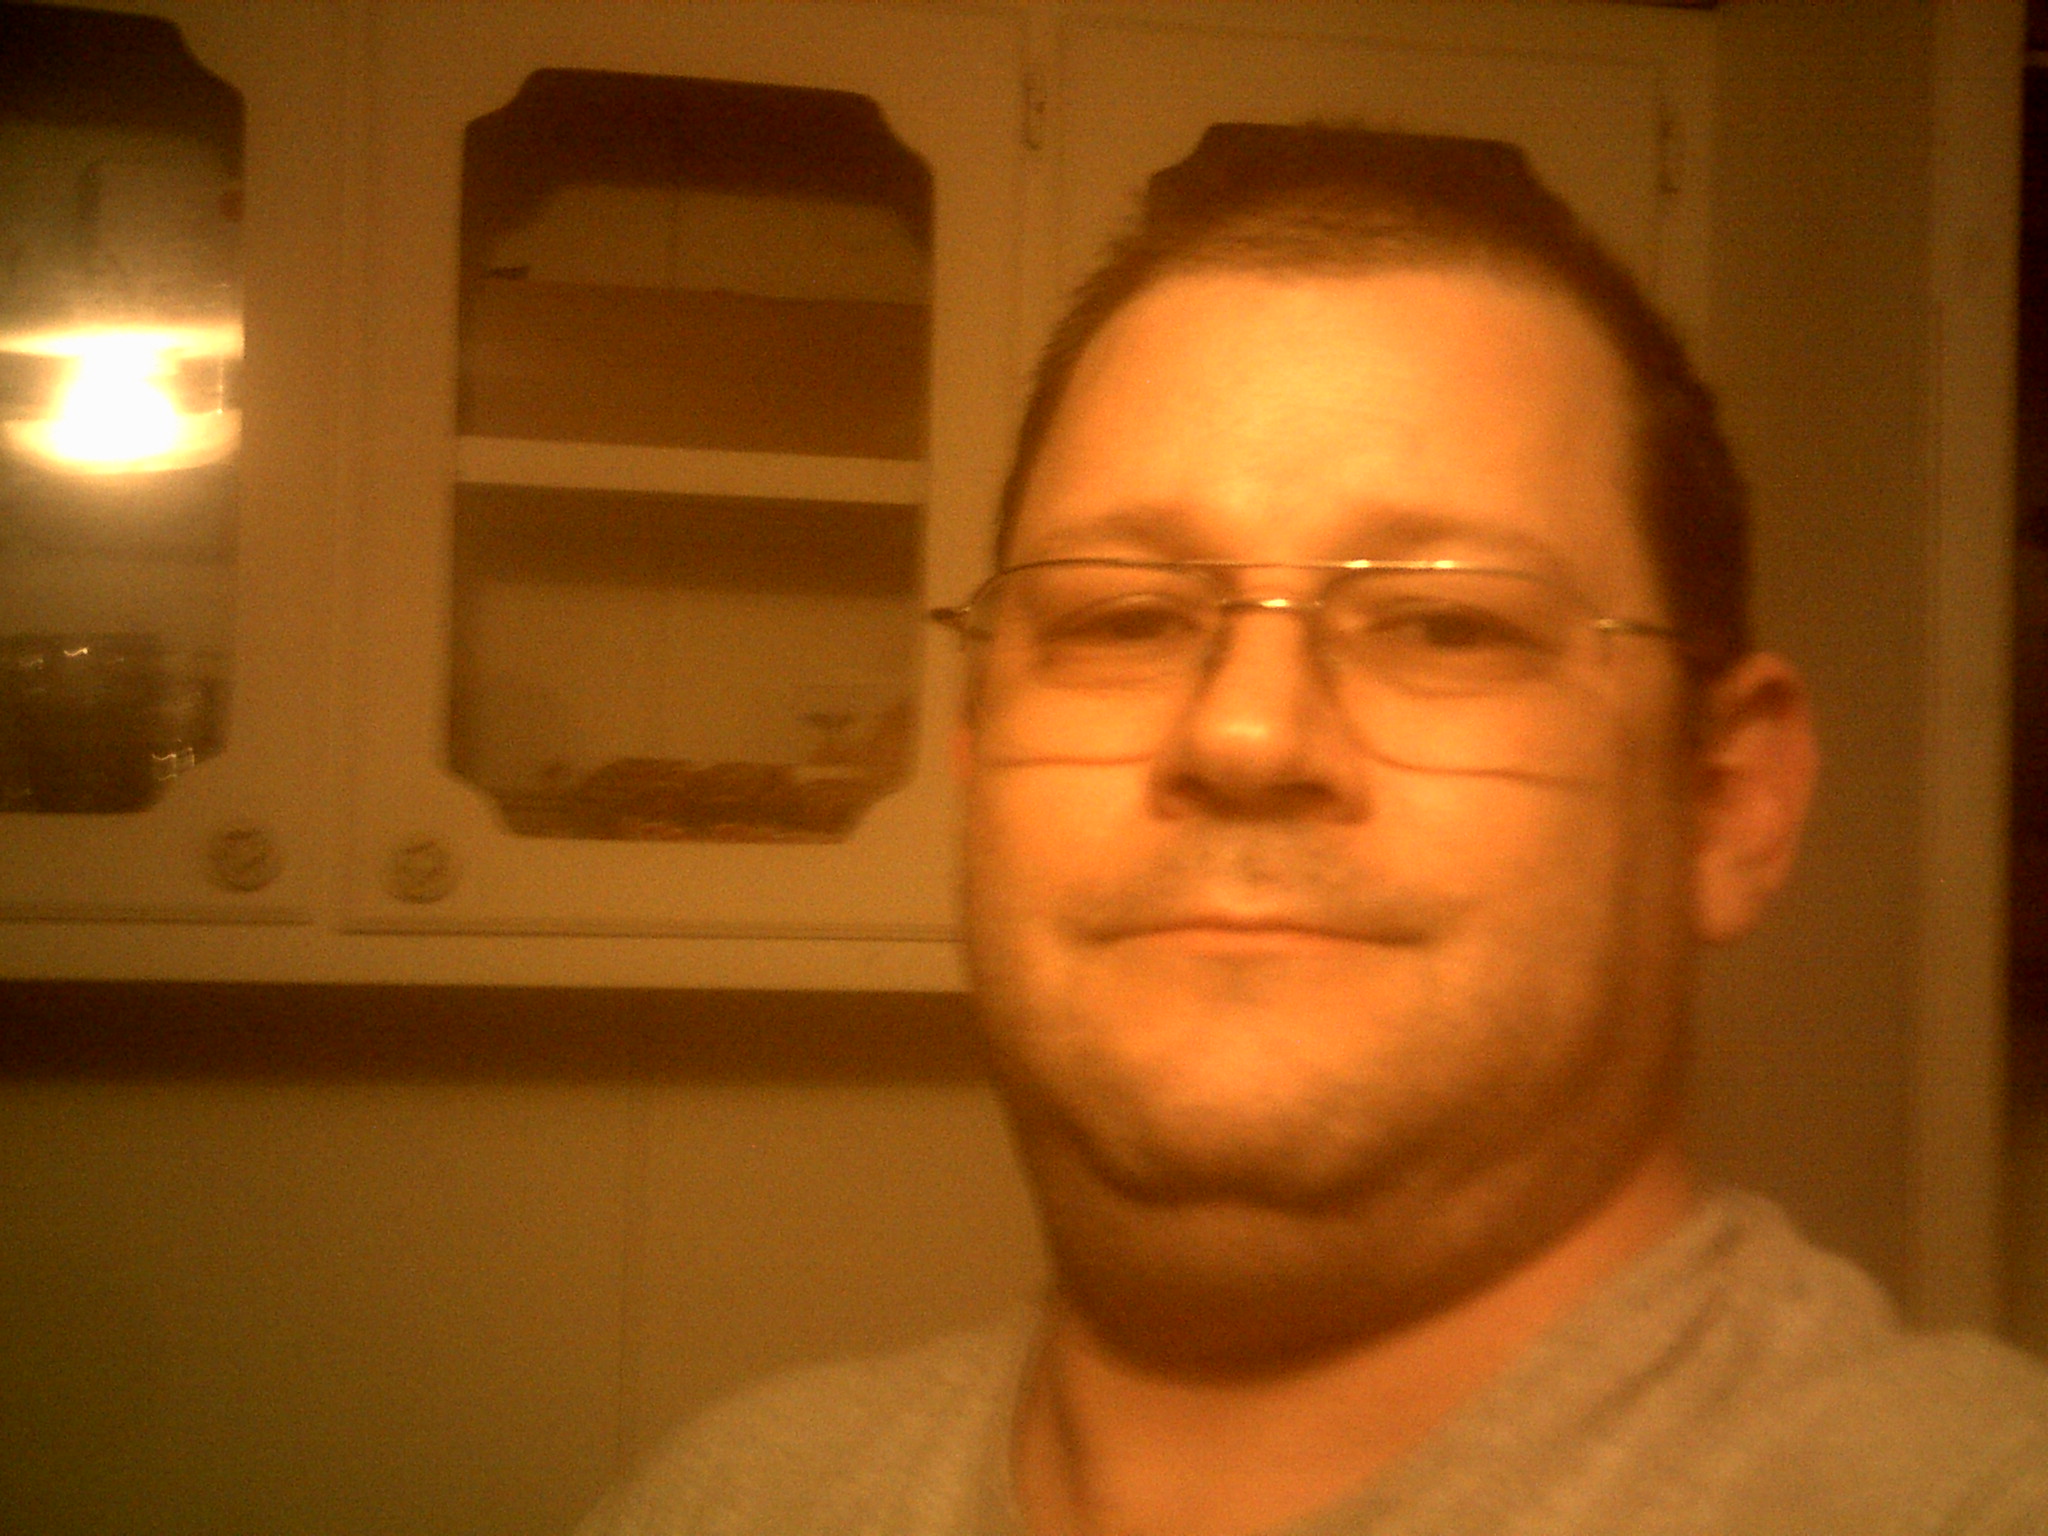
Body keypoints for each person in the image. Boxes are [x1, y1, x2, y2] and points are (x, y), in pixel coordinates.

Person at [581, 125, 2048, 1535]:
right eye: (1123, 619)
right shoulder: (732, 1496)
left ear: (1725, 801)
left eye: (1448, 626)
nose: (1244, 735)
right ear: (973, 767)